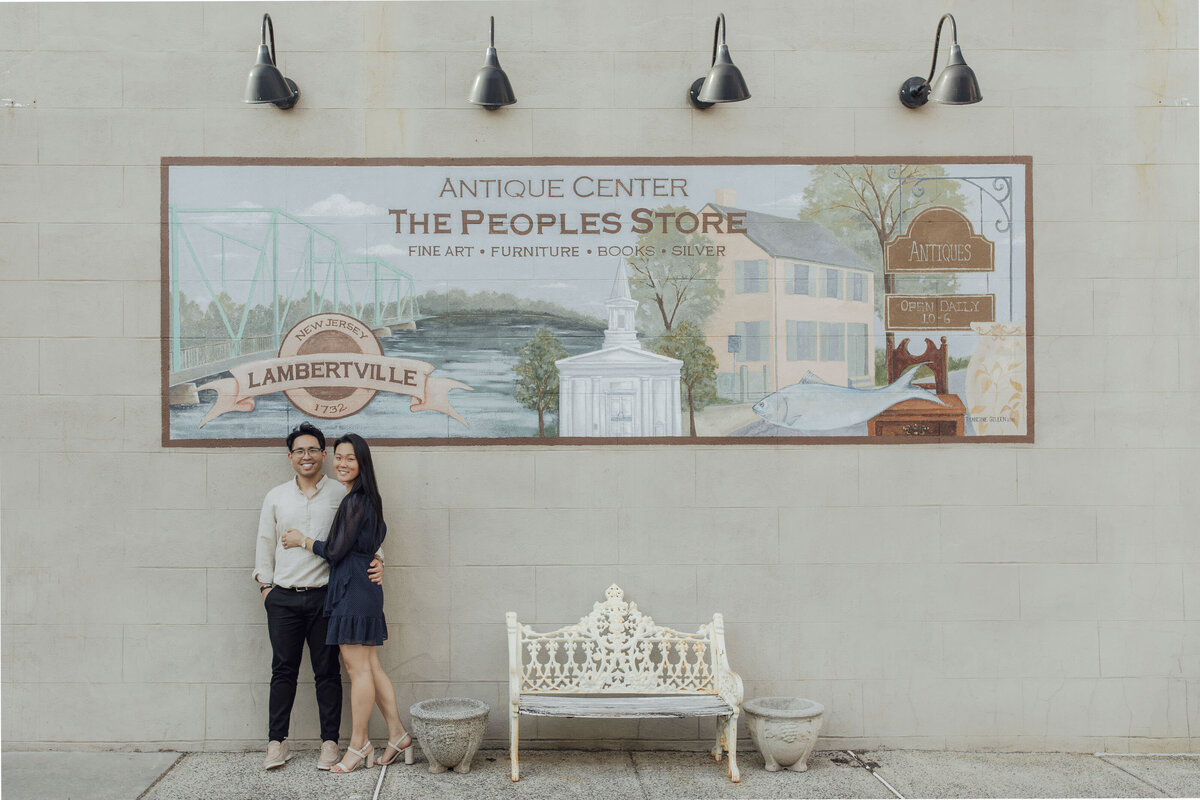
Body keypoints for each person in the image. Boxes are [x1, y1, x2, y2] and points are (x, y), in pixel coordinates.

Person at [253, 422, 384, 771]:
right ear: (290, 457)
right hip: (283, 597)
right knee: (283, 671)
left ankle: (330, 743)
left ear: (324, 455)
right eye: (299, 451)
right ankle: (276, 743)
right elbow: (265, 544)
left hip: (327, 597)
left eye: (313, 450)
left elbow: (365, 533)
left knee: (328, 673)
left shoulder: (341, 492)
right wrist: (265, 588)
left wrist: (379, 560)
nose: (306, 456)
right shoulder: (276, 496)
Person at [282, 433, 413, 773]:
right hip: (361, 589)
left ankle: (359, 744)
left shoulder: (356, 501)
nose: (342, 463)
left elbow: (336, 551)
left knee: (358, 670)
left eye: (349, 458)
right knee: (370, 666)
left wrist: (302, 540)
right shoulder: (364, 498)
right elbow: (366, 542)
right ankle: (398, 735)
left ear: (362, 462)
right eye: (338, 457)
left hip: (353, 590)